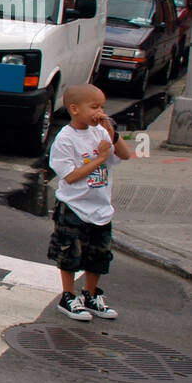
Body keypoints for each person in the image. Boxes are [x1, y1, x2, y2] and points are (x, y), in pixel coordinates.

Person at [48, 84, 132, 320]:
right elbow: (71, 176)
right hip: (74, 206)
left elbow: (124, 155)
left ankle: (91, 294)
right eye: (94, 107)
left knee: (99, 254)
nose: (100, 112)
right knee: (70, 253)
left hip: (101, 207)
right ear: (75, 109)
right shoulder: (65, 139)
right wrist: (101, 158)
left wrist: (113, 132)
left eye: (103, 107)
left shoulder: (101, 132)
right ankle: (68, 296)